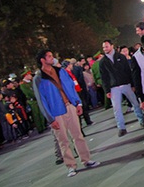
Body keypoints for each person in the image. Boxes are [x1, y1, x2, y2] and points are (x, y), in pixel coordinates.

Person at [34, 49, 100, 177]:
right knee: (63, 140)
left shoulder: (60, 71)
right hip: (56, 112)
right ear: (42, 60)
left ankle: (86, 160)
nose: (52, 58)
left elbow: (70, 87)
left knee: (78, 135)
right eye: (49, 56)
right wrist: (50, 118)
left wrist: (77, 103)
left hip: (70, 106)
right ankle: (70, 166)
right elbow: (41, 100)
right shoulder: (39, 78)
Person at [99, 39, 144, 136]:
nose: (105, 49)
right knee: (117, 108)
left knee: (135, 103)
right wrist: (107, 90)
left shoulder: (121, 57)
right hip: (113, 87)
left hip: (126, 84)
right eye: (104, 47)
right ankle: (121, 127)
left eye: (106, 46)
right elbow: (103, 77)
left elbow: (128, 71)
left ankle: (142, 120)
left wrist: (133, 84)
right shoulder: (103, 62)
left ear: (112, 46)